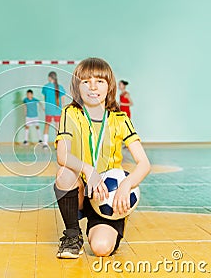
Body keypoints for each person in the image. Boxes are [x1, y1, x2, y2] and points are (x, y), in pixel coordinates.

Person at [54, 58, 150, 259]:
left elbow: (144, 164)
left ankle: (103, 225)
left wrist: (126, 185)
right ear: (77, 87)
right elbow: (62, 155)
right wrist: (89, 170)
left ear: (110, 86)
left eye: (99, 81)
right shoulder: (70, 113)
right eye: (86, 81)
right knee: (64, 172)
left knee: (101, 248)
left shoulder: (120, 119)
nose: (92, 87)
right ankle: (72, 236)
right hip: (82, 189)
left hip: (109, 195)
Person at [42, 71, 66, 148]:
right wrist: (63, 108)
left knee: (47, 126)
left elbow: (45, 98)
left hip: (49, 109)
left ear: (49, 78)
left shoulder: (45, 87)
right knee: (57, 127)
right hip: (57, 110)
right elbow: (63, 100)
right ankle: (58, 145)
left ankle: (45, 143)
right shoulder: (60, 87)